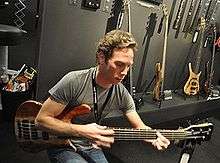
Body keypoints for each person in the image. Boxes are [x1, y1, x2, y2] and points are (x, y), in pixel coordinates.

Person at [35, 30, 170, 163]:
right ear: (101, 57)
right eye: (119, 64)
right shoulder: (74, 80)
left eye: (129, 66)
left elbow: (140, 126)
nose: (124, 72)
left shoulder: (121, 92)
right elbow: (41, 120)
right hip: (61, 143)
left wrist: (153, 136)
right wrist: (82, 131)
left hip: (91, 144)